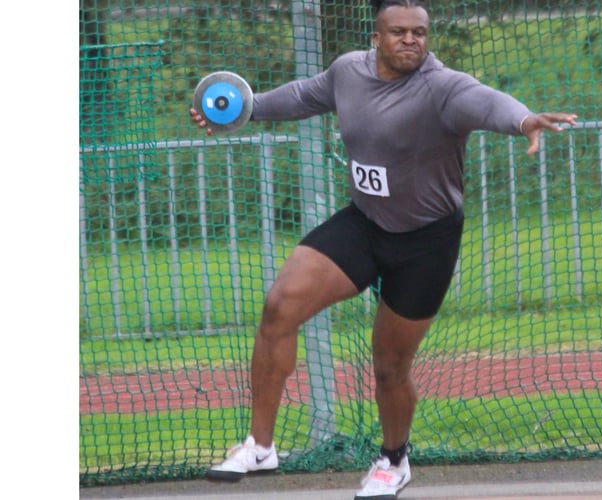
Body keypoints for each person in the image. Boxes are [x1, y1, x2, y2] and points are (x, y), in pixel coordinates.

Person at [190, 0, 577, 498]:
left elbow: (487, 102)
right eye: (399, 32)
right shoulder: (347, 72)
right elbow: (303, 96)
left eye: (420, 32)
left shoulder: (442, 87)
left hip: (426, 241)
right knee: (279, 306)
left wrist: (524, 121)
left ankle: (394, 460)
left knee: (390, 367)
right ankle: (260, 447)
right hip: (365, 224)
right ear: (376, 37)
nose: (411, 40)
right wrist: (244, 106)